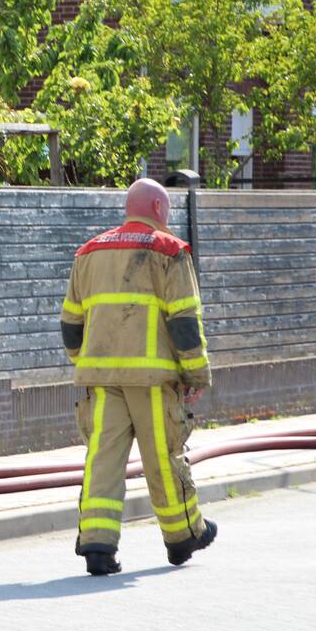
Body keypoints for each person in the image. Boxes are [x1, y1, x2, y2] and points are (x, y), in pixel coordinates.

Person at [59, 178, 217, 576]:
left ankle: (97, 544)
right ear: (160, 211)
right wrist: (195, 375)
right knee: (163, 457)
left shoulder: (89, 253)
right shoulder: (168, 251)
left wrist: (87, 361)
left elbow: (70, 325)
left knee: (102, 460)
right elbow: (184, 323)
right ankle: (182, 536)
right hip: (152, 379)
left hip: (100, 379)